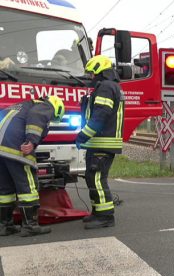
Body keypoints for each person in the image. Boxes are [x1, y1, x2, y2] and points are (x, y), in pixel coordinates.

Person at [0, 95, 65, 237]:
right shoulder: (45, 106)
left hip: (1, 151)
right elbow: (37, 117)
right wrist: (32, 140)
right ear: (56, 108)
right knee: (28, 188)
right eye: (52, 118)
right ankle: (30, 226)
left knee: (5, 190)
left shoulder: (19, 106)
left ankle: (5, 225)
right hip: (16, 149)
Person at [75, 55, 125, 229]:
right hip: (98, 143)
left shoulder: (105, 87)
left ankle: (105, 216)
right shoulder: (108, 86)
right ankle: (98, 211)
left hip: (103, 143)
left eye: (91, 73)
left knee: (96, 178)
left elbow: (100, 115)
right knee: (91, 176)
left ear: (99, 70)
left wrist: (83, 135)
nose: (89, 77)